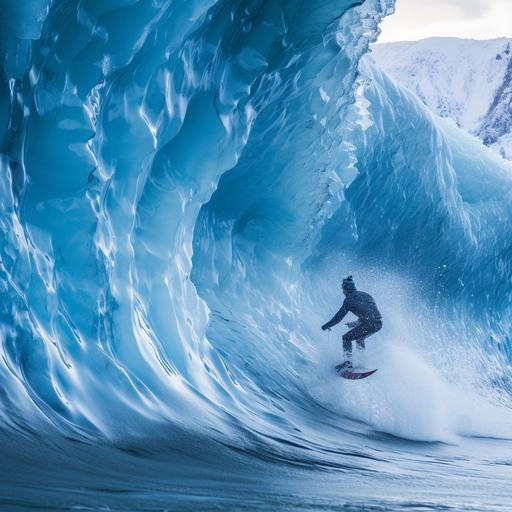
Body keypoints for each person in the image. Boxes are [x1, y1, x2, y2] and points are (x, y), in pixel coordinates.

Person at [321, 276, 382, 369]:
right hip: (378, 323)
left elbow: (338, 317)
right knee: (360, 338)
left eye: (343, 289)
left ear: (346, 289)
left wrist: (327, 325)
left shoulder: (348, 300)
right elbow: (370, 312)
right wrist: (356, 323)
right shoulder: (366, 294)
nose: (343, 292)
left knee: (346, 338)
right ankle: (362, 363)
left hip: (369, 323)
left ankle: (347, 363)